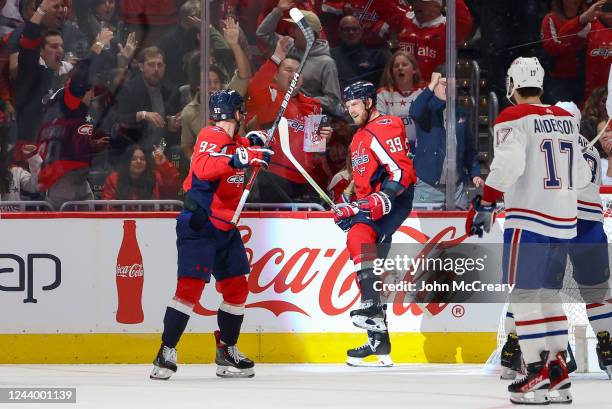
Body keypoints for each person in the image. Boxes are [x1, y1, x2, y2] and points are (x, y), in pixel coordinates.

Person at [465, 57, 592, 404]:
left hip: (529, 221)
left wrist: (487, 203)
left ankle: (535, 370)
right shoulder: (566, 120)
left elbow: (508, 164)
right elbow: (582, 177)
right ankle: (558, 375)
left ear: (511, 85)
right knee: (549, 297)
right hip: (564, 224)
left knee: (524, 297)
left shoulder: (512, 117)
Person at [150, 90, 273, 380]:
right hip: (200, 225)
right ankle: (165, 352)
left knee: (237, 289)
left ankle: (226, 351)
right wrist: (242, 156)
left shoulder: (234, 143)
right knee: (189, 291)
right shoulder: (210, 134)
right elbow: (203, 167)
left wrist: (255, 143)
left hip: (225, 229)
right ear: (237, 113)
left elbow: (243, 149)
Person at [499, 101, 612, 381]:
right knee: (597, 292)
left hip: (556, 223)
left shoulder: (540, 142)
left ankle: (517, 349)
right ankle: (608, 349)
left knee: (534, 289)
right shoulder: (591, 149)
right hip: (590, 226)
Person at [333, 81, 416, 367]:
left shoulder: (387, 125)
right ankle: (379, 342)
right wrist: (347, 200)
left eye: (355, 104)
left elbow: (402, 171)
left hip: (394, 201)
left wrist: (386, 196)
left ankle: (371, 311)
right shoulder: (359, 136)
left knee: (358, 237)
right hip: (373, 204)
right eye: (348, 105)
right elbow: (362, 178)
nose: (350, 110)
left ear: (369, 102)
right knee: (367, 267)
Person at [246, 36, 332, 203]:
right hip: (272, 176)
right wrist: (277, 56)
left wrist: (325, 137)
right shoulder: (270, 96)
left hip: (304, 178)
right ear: (276, 76)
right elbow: (256, 85)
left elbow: (315, 149)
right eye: (288, 70)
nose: (294, 75)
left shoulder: (312, 105)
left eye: (298, 72)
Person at [409, 68, 482, 209]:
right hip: (428, 185)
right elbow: (415, 112)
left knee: (462, 228)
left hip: (456, 187)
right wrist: (431, 85)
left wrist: (475, 173)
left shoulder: (461, 112)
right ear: (435, 84)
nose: (448, 89)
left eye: (452, 86)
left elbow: (469, 147)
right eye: (444, 84)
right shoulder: (427, 109)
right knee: (425, 229)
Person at [257, 2, 343, 116]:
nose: (290, 31)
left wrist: (302, 99)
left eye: (295, 28)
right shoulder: (289, 45)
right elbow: (262, 34)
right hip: (279, 113)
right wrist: (277, 11)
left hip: (306, 118)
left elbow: (333, 101)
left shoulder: (326, 63)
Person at [540, 0, 587, 103]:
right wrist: (576, 42)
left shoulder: (588, 18)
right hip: (558, 79)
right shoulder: (550, 18)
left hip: (584, 77)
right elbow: (551, 47)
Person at [377, 50, 424, 148]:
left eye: (404, 64)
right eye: (396, 66)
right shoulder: (383, 94)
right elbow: (380, 126)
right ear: (392, 72)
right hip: (394, 149)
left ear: (414, 70)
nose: (400, 68)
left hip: (421, 148)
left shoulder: (424, 90)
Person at [101, 144, 179, 200]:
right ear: (128, 161)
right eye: (134, 159)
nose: (139, 161)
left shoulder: (155, 177)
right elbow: (107, 207)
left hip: (150, 220)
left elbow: (173, 189)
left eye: (142, 159)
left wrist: (163, 163)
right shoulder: (113, 179)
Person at [330, 15, 386, 90]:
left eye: (355, 29)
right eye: (346, 29)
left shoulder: (376, 56)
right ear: (339, 32)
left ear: (361, 31)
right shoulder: (331, 55)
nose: (351, 32)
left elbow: (383, 87)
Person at [598, 120, 612, 184]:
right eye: (600, 133)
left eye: (607, 130)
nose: (603, 136)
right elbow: (607, 190)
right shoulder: (597, 163)